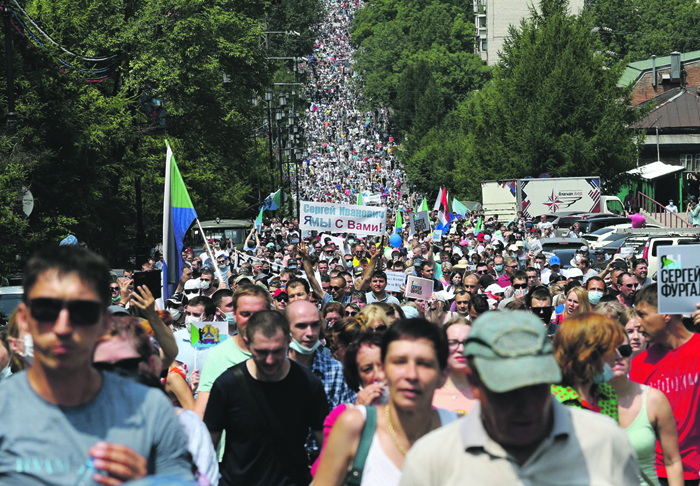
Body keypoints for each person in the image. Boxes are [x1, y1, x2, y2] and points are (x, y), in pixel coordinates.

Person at [0, 245, 193, 484]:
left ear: (104, 323)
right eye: (46, 310)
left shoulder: (150, 409)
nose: (63, 328)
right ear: (23, 319)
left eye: (82, 312)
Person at [399, 311, 639, 486]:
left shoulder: (606, 442)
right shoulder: (431, 459)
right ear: (475, 383)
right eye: (506, 392)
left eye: (536, 387)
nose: (526, 406)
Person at [313, 318, 457, 486]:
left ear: (443, 375)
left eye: (424, 364)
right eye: (399, 362)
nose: (411, 374)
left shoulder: (461, 432)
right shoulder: (352, 424)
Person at [204, 310, 328, 486]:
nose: (269, 360)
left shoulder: (309, 383)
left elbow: (326, 442)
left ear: (288, 342)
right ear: (247, 343)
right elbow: (208, 446)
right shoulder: (227, 385)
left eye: (277, 351)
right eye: (261, 352)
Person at [632, 285, 700, 485]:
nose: (638, 323)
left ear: (666, 314)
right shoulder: (640, 364)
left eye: (642, 314)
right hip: (653, 474)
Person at [610, 333, 684, 486]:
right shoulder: (584, 401)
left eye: (624, 350)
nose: (618, 356)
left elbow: (672, 461)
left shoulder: (653, 399)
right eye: (610, 350)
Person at [194, 285, 272, 418]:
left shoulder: (282, 351)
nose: (252, 320)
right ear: (235, 315)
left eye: (259, 313)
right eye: (245, 314)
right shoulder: (218, 355)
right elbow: (202, 412)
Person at [552, 313, 623, 421]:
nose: (618, 356)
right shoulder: (552, 400)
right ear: (590, 353)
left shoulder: (608, 394)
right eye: (611, 349)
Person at [432, 317, 477, 415]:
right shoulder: (428, 392)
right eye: (453, 342)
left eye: (467, 342)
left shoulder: (488, 394)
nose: (461, 349)